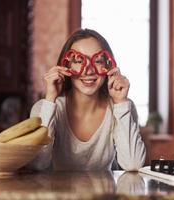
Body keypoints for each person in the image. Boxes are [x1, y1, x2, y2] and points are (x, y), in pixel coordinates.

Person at [28, 28, 146, 171]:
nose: (88, 70)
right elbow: (38, 163)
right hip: (59, 193)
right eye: (78, 61)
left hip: (106, 193)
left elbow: (133, 164)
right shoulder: (44, 108)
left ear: (108, 65)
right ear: (66, 66)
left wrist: (120, 103)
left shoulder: (122, 106)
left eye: (98, 61)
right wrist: (50, 99)